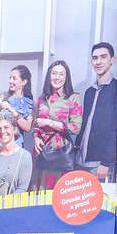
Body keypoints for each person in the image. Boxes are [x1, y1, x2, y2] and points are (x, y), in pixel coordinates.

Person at [29, 58, 83, 190]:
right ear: (49, 76)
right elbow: (36, 124)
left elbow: (76, 128)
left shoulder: (73, 98)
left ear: (66, 77)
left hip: (61, 153)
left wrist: (50, 122)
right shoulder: (42, 98)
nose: (57, 77)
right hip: (41, 152)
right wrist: (36, 138)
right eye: (54, 73)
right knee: (39, 192)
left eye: (61, 74)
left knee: (58, 193)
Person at [76, 41, 117, 182]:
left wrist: (105, 162)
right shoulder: (89, 91)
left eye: (103, 57)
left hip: (100, 164)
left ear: (112, 60)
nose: (98, 62)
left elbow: (115, 129)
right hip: (80, 160)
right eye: (95, 58)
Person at [0, 65, 35, 160]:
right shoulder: (2, 98)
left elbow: (27, 127)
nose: (10, 81)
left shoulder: (29, 103)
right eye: (10, 78)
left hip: (15, 147)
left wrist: (11, 109)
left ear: (24, 82)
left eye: (14, 78)